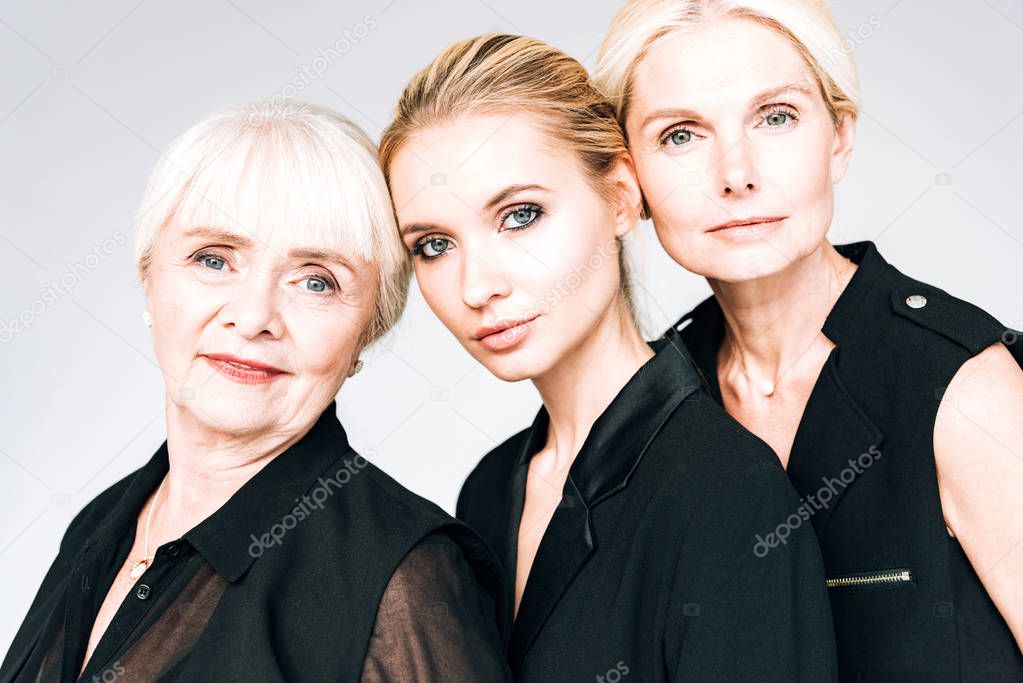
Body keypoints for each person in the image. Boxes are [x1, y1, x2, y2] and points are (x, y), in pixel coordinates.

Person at [0, 101, 511, 682]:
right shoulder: (99, 525)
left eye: (316, 280)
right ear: (149, 277)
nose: (252, 317)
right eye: (213, 259)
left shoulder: (405, 576)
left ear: (369, 327)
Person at [381, 33, 837, 681]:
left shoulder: (725, 493)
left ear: (621, 195)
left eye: (520, 214)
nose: (476, 285)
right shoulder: (488, 489)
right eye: (432, 244)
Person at [594, 1, 1023, 679]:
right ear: (629, 176)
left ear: (838, 138)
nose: (734, 173)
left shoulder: (963, 387)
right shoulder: (649, 409)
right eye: (681, 134)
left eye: (775, 117)